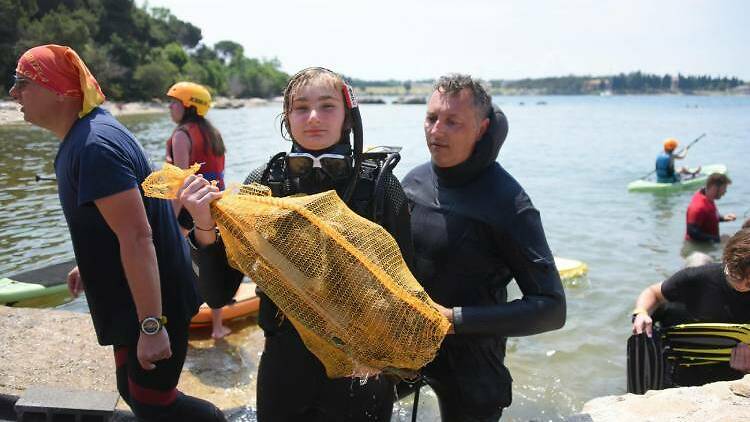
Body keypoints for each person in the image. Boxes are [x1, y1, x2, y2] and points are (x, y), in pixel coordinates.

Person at [179, 67, 413, 421]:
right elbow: (217, 295)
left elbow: (407, 292)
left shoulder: (380, 188)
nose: (313, 118)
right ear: (287, 119)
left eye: (327, 106)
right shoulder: (263, 185)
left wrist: (390, 361)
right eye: (301, 108)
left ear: (349, 117)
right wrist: (203, 226)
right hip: (284, 365)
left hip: (360, 368)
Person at [9, 44, 224, 421]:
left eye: (22, 82)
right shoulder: (84, 136)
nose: (13, 93)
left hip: (157, 298)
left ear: (59, 89)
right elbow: (112, 223)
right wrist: (88, 263)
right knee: (132, 390)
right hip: (134, 292)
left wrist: (152, 325)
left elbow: (138, 237)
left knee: (154, 400)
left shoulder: (95, 146)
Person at [401, 74, 566, 421]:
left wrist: (454, 320)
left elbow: (551, 308)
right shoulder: (412, 183)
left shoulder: (509, 203)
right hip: (408, 343)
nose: (436, 131)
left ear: (481, 127)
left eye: (453, 122)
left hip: (472, 358)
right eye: (431, 118)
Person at [632, 228, 750, 386]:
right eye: (736, 275)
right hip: (688, 367)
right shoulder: (698, 277)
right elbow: (653, 292)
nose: (743, 285)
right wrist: (641, 312)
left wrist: (746, 371)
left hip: (734, 373)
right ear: (726, 261)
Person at [165, 81, 231, 340]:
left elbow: (180, 180)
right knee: (211, 264)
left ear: (188, 105)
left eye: (173, 102)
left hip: (190, 207)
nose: (169, 107)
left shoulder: (182, 134)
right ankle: (217, 327)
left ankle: (181, 317)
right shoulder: (213, 133)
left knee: (180, 264)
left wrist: (170, 218)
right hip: (216, 205)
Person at [685, 173, 736, 243]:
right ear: (714, 188)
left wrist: (723, 218)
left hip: (709, 244)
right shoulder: (697, 207)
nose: (725, 192)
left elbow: (707, 216)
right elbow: (693, 233)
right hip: (698, 249)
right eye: (724, 189)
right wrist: (719, 239)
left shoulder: (708, 198)